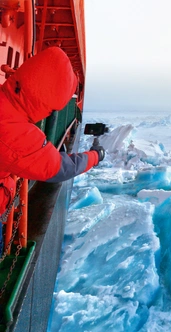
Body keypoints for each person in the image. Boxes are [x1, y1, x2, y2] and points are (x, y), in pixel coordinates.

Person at [0, 47, 105, 246]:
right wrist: (95, 156)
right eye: (51, 108)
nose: (48, 115)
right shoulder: (12, 130)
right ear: (43, 100)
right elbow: (60, 168)